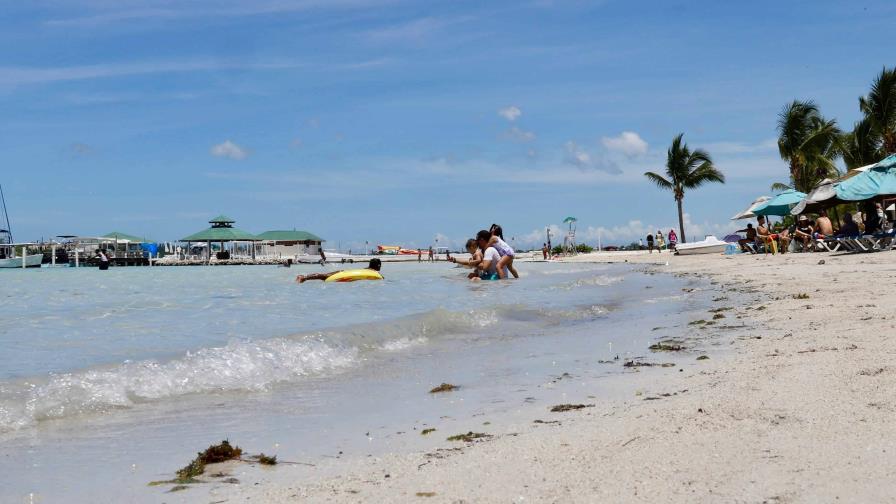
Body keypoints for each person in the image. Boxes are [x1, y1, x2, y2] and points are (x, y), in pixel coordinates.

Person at [296, 258, 382, 283]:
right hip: (344, 275)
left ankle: (304, 277)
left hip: (343, 272)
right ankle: (303, 278)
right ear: (378, 265)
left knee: (324, 275)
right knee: (324, 277)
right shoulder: (373, 273)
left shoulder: (366, 269)